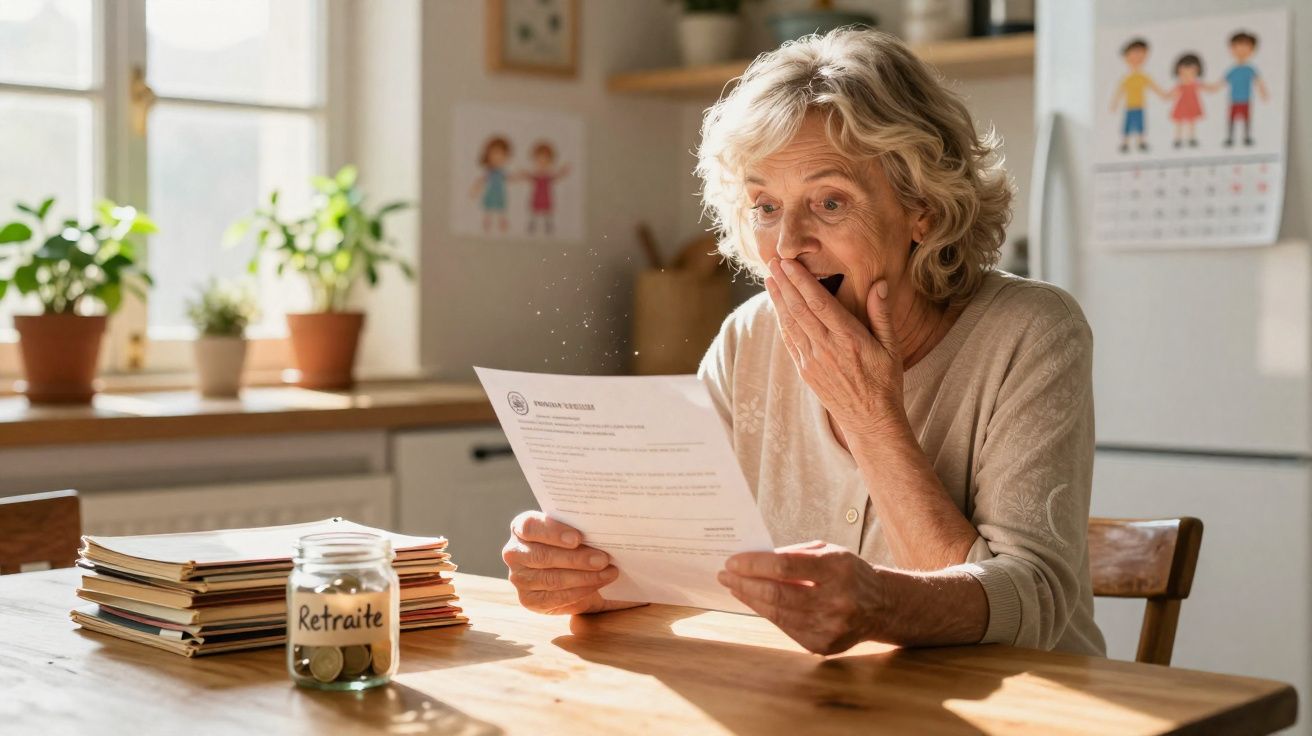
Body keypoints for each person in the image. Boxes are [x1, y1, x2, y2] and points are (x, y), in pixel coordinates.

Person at [503, 29, 1106, 657]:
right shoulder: (750, 335)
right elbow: (676, 561)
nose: (788, 242)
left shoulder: (1034, 330)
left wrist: (869, 415)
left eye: (829, 201)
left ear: (921, 208)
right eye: (765, 205)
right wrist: (583, 576)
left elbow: (1031, 605)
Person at [1211, 31, 1268, 147]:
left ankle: (1246, 137)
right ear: (1232, 49)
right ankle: (1230, 138)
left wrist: (1263, 92)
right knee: (1231, 119)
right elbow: (1222, 82)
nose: (1241, 51)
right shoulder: (1232, 70)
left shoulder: (1250, 69)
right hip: (1234, 100)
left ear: (1252, 50)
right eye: (1237, 47)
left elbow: (1258, 81)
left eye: (1245, 48)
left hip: (1246, 99)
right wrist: (1212, 88)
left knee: (1246, 119)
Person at [1110, 38, 1165, 153]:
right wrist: (1114, 103)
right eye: (1135, 54)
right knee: (1127, 126)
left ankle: (1141, 143)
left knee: (1140, 126)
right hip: (1129, 106)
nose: (1138, 58)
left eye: (1142, 55)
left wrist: (1163, 95)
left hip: (1140, 106)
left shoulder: (1143, 77)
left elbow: (1154, 87)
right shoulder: (1127, 78)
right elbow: (1120, 91)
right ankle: (1125, 143)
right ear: (1126, 56)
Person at [1168, 53, 1205, 148]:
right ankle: (1178, 139)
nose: (1187, 76)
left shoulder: (1195, 85)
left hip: (1192, 105)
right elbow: (1172, 93)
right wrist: (1166, 96)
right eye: (1184, 73)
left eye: (1191, 73)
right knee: (1179, 122)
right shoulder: (1180, 86)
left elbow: (1205, 87)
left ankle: (1191, 138)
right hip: (1182, 105)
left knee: (1191, 121)